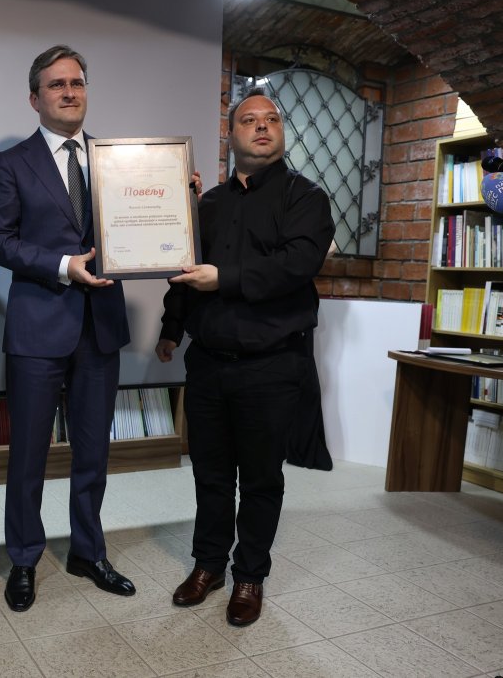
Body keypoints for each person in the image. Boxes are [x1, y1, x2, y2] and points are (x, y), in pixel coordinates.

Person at [155, 87, 334, 626]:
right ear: (230, 135)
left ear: (281, 133)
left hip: (272, 364)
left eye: (271, 119)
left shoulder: (306, 198)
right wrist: (171, 328)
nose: (261, 126)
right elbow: (185, 270)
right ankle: (208, 564)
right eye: (249, 120)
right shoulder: (208, 204)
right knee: (210, 474)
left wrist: (224, 279)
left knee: (260, 479)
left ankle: (250, 575)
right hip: (208, 362)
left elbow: (297, 265)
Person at [0, 45, 136, 612]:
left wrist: (175, 192)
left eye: (77, 82)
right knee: (28, 456)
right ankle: (24, 558)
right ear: (35, 98)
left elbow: (141, 224)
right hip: (38, 326)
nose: (69, 92)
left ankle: (87, 552)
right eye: (56, 84)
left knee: (94, 452)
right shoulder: (13, 163)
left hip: (100, 326)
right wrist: (62, 265)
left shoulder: (118, 160)